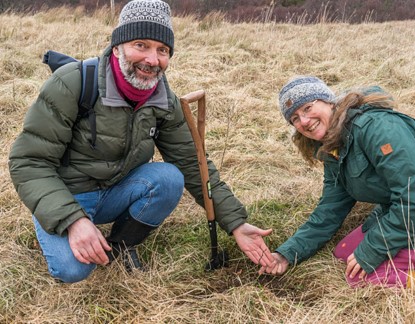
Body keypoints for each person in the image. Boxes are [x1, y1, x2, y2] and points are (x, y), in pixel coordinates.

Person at [8, 0, 274, 283]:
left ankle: (121, 246)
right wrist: (72, 220)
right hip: (67, 192)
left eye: (162, 50)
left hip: (115, 189)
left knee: (170, 178)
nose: (152, 59)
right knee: (73, 269)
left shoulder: (163, 100)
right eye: (141, 45)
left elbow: (192, 163)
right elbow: (28, 162)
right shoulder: (73, 84)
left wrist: (236, 223)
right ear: (118, 46)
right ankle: (56, 222)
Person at [258, 76, 415, 304]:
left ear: (328, 101)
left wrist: (373, 249)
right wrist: (288, 253)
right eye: (295, 119)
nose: (304, 121)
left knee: (365, 278)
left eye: (308, 108)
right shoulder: (332, 144)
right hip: (410, 214)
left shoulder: (378, 128)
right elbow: (330, 208)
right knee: (344, 253)